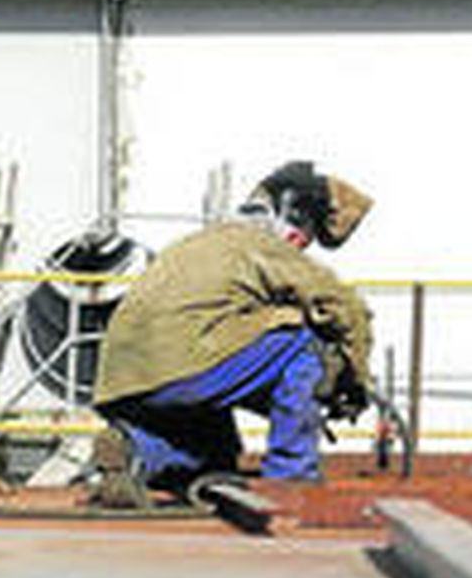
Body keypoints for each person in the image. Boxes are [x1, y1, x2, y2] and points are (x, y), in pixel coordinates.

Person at [89, 161, 375, 506]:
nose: (303, 246)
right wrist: (354, 380)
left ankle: (136, 450)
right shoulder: (260, 244)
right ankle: (292, 477)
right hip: (185, 368)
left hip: (122, 382)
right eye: (307, 236)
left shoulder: (197, 243)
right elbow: (344, 306)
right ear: (293, 215)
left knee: (215, 457)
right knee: (308, 344)